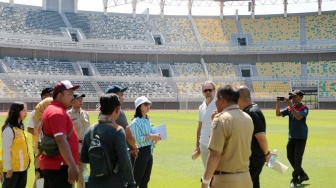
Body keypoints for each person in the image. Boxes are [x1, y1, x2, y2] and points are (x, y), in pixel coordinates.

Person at [201, 85, 254, 188]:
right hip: (245, 178)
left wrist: (205, 181)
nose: (215, 103)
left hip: (225, 180)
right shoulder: (248, 118)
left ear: (221, 99)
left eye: (216, 99)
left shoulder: (221, 119)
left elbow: (215, 154)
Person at [81, 93, 136, 188]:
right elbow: (125, 161)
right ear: (117, 109)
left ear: (101, 109)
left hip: (94, 182)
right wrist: (131, 182)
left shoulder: (90, 130)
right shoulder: (118, 130)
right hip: (115, 182)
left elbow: (84, 158)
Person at [40, 80, 80, 188]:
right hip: (59, 166)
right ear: (60, 96)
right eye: (70, 94)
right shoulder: (57, 112)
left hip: (56, 165)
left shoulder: (55, 110)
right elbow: (60, 140)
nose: (73, 97)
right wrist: (72, 165)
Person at [238, 86, 271, 188]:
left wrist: (267, 154)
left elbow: (261, 137)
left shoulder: (252, 112)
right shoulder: (250, 110)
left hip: (254, 158)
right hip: (252, 157)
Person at [276, 89, 309, 187]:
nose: (293, 98)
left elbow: (299, 117)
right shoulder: (291, 107)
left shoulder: (304, 108)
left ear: (300, 97)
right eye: (292, 96)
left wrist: (290, 105)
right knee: (290, 156)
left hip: (301, 137)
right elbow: (278, 114)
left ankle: (295, 180)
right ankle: (302, 174)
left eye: (295, 96)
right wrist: (278, 104)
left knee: (297, 159)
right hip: (292, 136)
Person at [129, 96, 161, 188]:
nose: (148, 106)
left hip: (149, 151)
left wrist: (156, 139)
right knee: (136, 180)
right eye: (145, 104)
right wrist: (152, 137)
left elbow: (151, 134)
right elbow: (137, 138)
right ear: (139, 107)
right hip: (140, 152)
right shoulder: (135, 122)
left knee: (145, 180)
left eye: (149, 104)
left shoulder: (147, 120)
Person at [26, 87, 53, 188]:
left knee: (50, 172)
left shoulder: (53, 111)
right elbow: (29, 128)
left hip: (51, 146)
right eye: (49, 95)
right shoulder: (35, 112)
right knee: (40, 173)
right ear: (43, 97)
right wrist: (41, 135)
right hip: (39, 148)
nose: (51, 97)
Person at [105, 86, 139, 158]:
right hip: (119, 153)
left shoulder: (102, 112)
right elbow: (128, 135)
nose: (123, 98)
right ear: (115, 97)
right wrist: (135, 147)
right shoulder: (118, 112)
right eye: (121, 95)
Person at [1, 102, 30, 188]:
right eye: (24, 110)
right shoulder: (9, 129)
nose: (26, 113)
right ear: (17, 112)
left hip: (23, 168)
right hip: (12, 169)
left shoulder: (20, 127)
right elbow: (6, 150)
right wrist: (8, 168)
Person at [68, 93, 90, 188]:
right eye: (79, 99)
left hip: (84, 147)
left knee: (83, 175)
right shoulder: (68, 115)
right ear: (72, 101)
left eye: (82, 99)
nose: (81, 101)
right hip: (73, 147)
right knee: (72, 174)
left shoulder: (86, 114)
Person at [194, 81, 217, 167]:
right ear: (202, 92)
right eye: (205, 90)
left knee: (218, 172)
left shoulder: (220, 104)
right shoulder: (201, 107)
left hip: (216, 144)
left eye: (210, 90)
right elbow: (200, 127)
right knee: (207, 171)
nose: (207, 92)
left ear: (215, 91)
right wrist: (197, 145)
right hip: (203, 144)